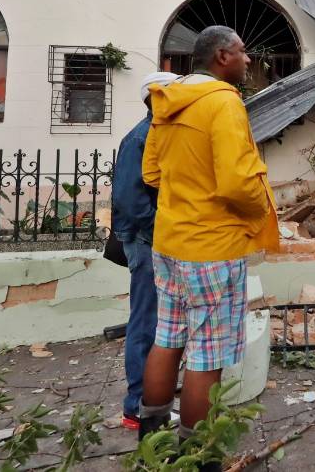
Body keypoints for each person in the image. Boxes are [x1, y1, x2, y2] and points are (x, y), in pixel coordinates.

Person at [138, 26, 280, 467]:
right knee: (208, 354)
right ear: (222, 56)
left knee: (167, 338)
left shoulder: (167, 99)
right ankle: (198, 455)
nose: (248, 60)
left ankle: (152, 441)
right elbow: (238, 180)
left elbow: (152, 173)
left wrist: (189, 191)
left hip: (169, 242)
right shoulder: (224, 102)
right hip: (212, 247)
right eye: (243, 52)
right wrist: (260, 210)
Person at [111, 71, 178, 429]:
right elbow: (129, 200)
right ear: (159, 97)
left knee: (160, 322)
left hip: (155, 239)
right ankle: (137, 405)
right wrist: (162, 227)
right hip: (145, 240)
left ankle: (153, 398)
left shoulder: (160, 134)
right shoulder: (140, 138)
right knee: (146, 321)